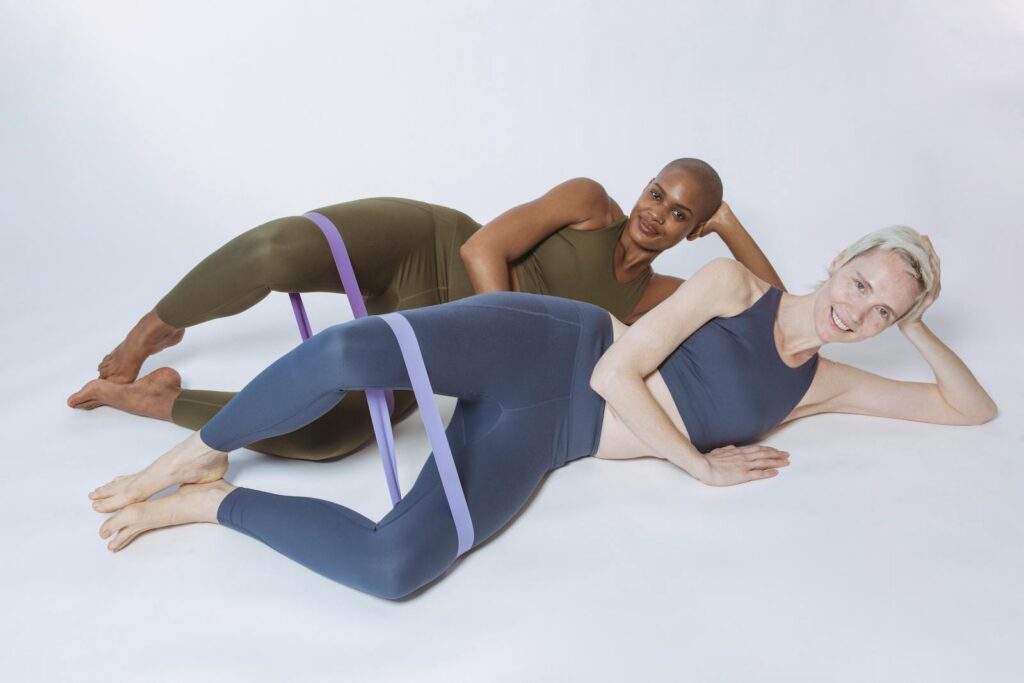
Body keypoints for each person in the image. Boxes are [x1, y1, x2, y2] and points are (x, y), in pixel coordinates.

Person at [88, 226, 995, 600]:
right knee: (345, 352)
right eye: (865, 283)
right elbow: (616, 378)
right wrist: (700, 465)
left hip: (551, 436)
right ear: (841, 261)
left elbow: (969, 411)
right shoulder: (733, 286)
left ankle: (210, 503)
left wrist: (919, 326)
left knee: (394, 566)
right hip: (552, 348)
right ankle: (192, 455)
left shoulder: (821, 383)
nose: (859, 309)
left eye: (884, 310)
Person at [68, 159, 783, 461]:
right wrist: (503, 330)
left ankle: (161, 403)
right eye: (658, 191)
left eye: (682, 213)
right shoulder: (590, 202)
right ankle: (154, 328)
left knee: (333, 435)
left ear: (693, 229)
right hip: (427, 249)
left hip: (442, 343)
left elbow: (778, 310)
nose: (656, 212)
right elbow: (481, 250)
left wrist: (730, 227)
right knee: (277, 251)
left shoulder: (660, 296)